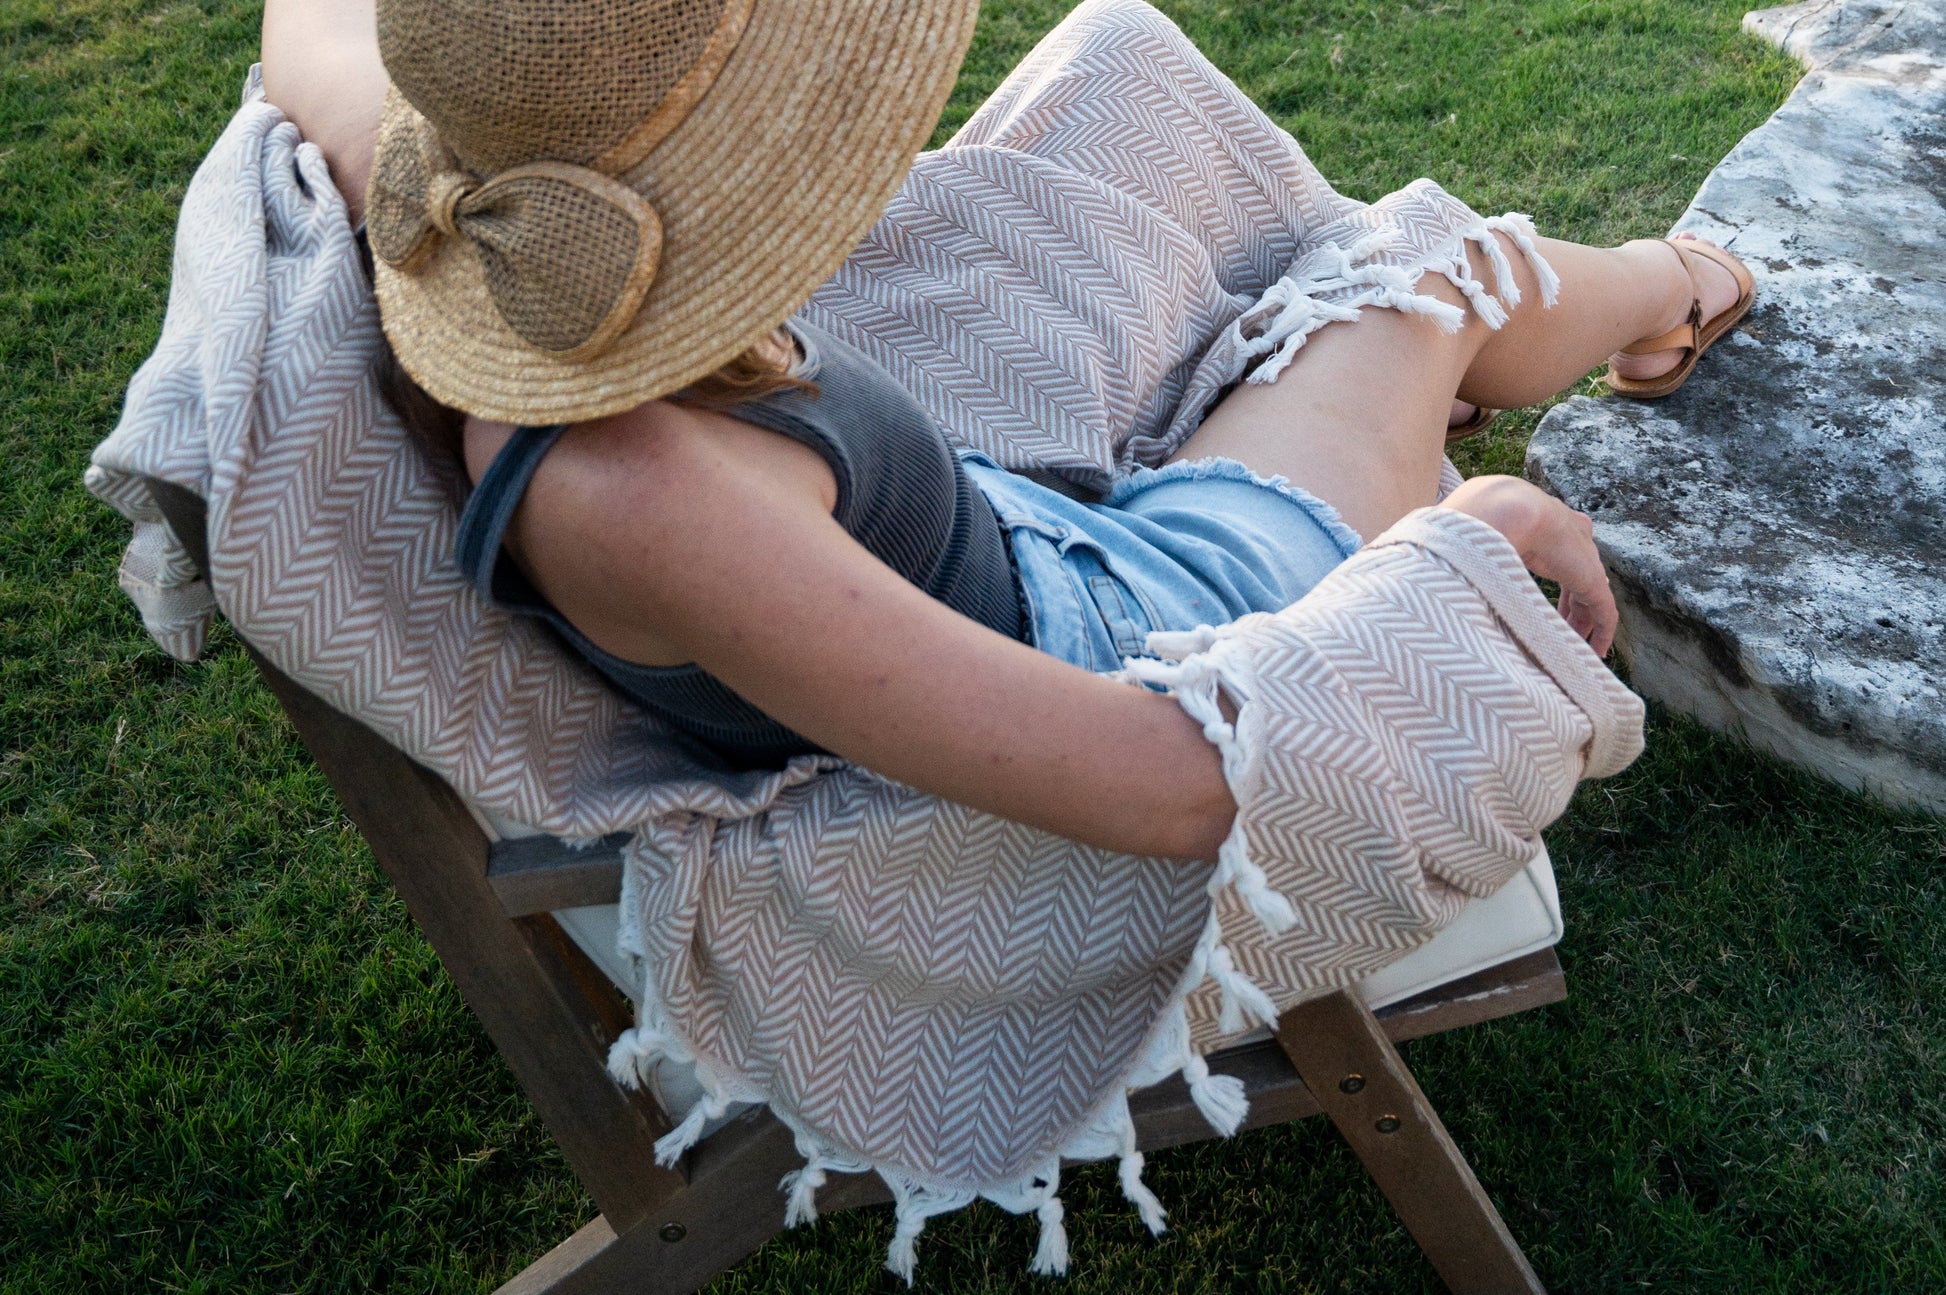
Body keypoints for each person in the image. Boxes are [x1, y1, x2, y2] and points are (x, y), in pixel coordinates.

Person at [260, 0, 1750, 867]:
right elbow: (1168, 782)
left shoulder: (476, 223)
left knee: (1121, 56)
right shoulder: (636, 493)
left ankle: (1555, 333)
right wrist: (1452, 553)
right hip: (1184, 624)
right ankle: (1681, 290)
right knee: (1417, 270)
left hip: (1018, 532)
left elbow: (303, 32)